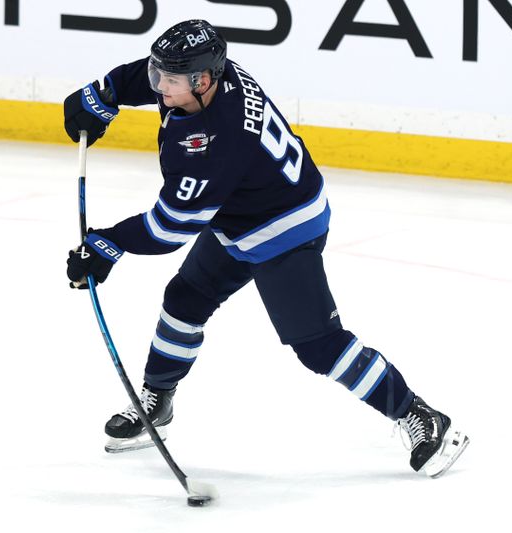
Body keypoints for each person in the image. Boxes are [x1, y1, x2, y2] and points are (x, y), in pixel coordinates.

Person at [63, 20, 469, 477]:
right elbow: (147, 74)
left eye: (170, 80)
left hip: (285, 228)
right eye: (162, 76)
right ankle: (158, 402)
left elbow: (171, 227)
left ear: (202, 81)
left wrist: (110, 243)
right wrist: (102, 94)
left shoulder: (212, 140)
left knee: (319, 347)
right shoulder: (207, 79)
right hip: (241, 214)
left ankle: (421, 416)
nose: (159, 87)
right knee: (184, 300)